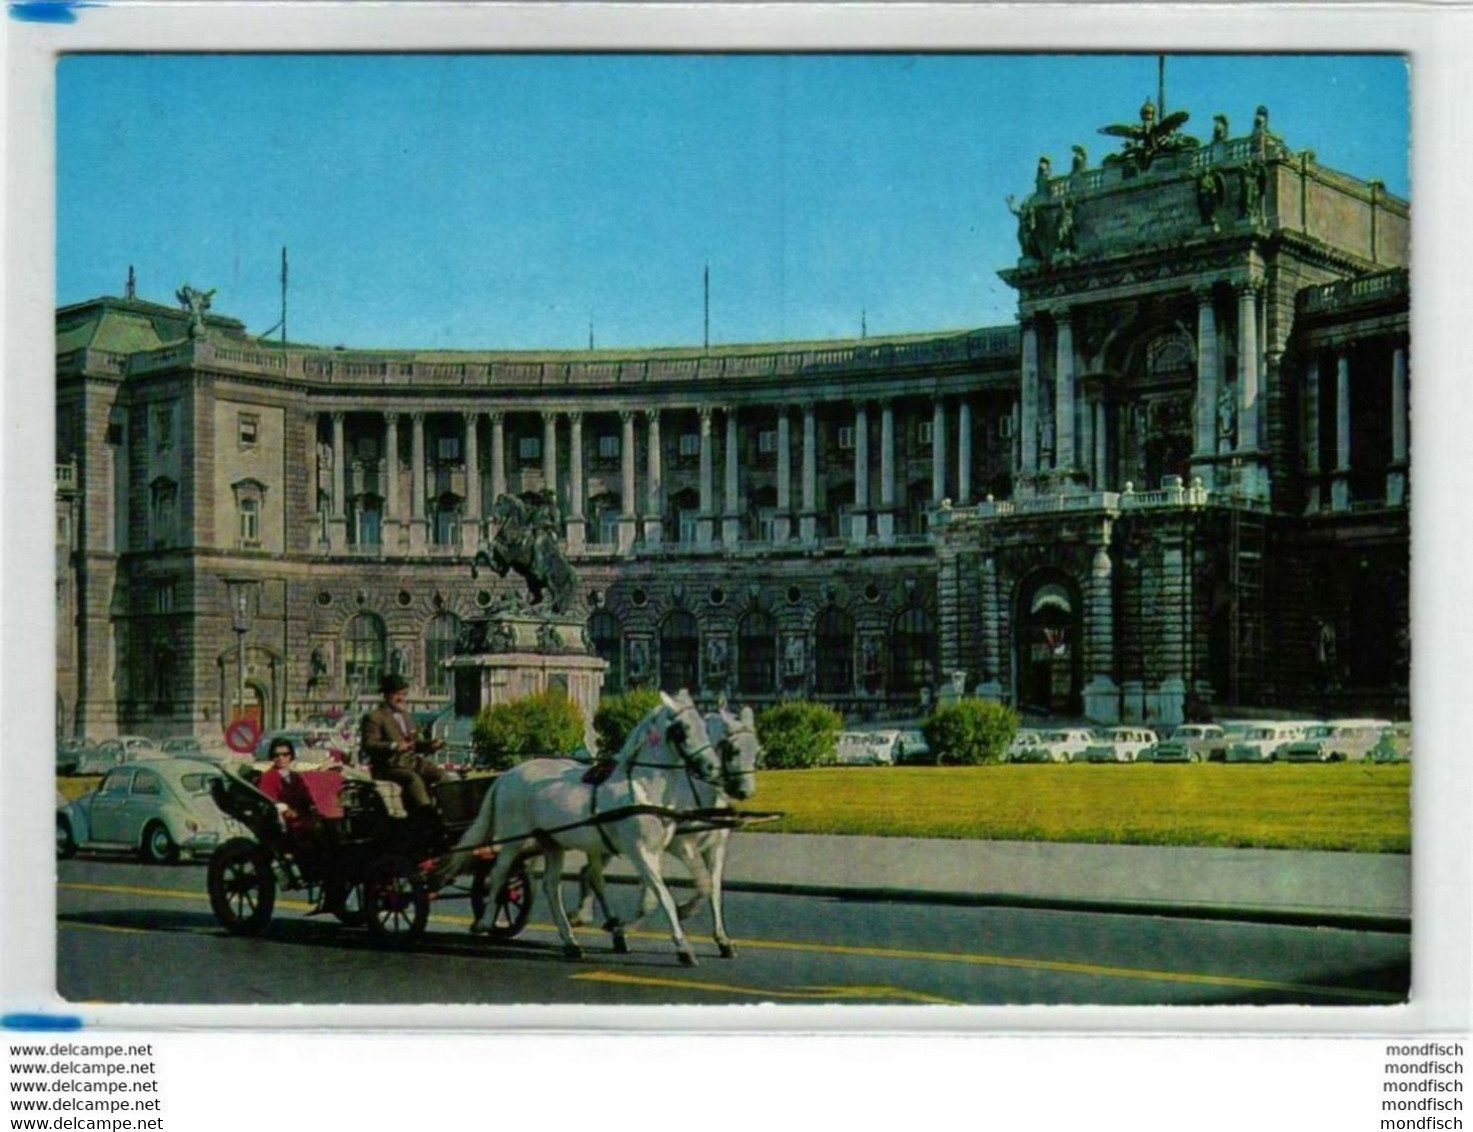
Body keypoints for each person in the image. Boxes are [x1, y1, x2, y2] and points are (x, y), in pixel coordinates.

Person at [360, 673, 446, 826]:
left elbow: (414, 743)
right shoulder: (374, 717)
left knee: (440, 775)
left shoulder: (406, 715)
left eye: (404, 694)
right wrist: (394, 746)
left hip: (411, 762)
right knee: (413, 779)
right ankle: (426, 819)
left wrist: (430, 744)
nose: (401, 698)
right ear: (386, 695)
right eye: (397, 694)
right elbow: (369, 744)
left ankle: (449, 814)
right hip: (389, 766)